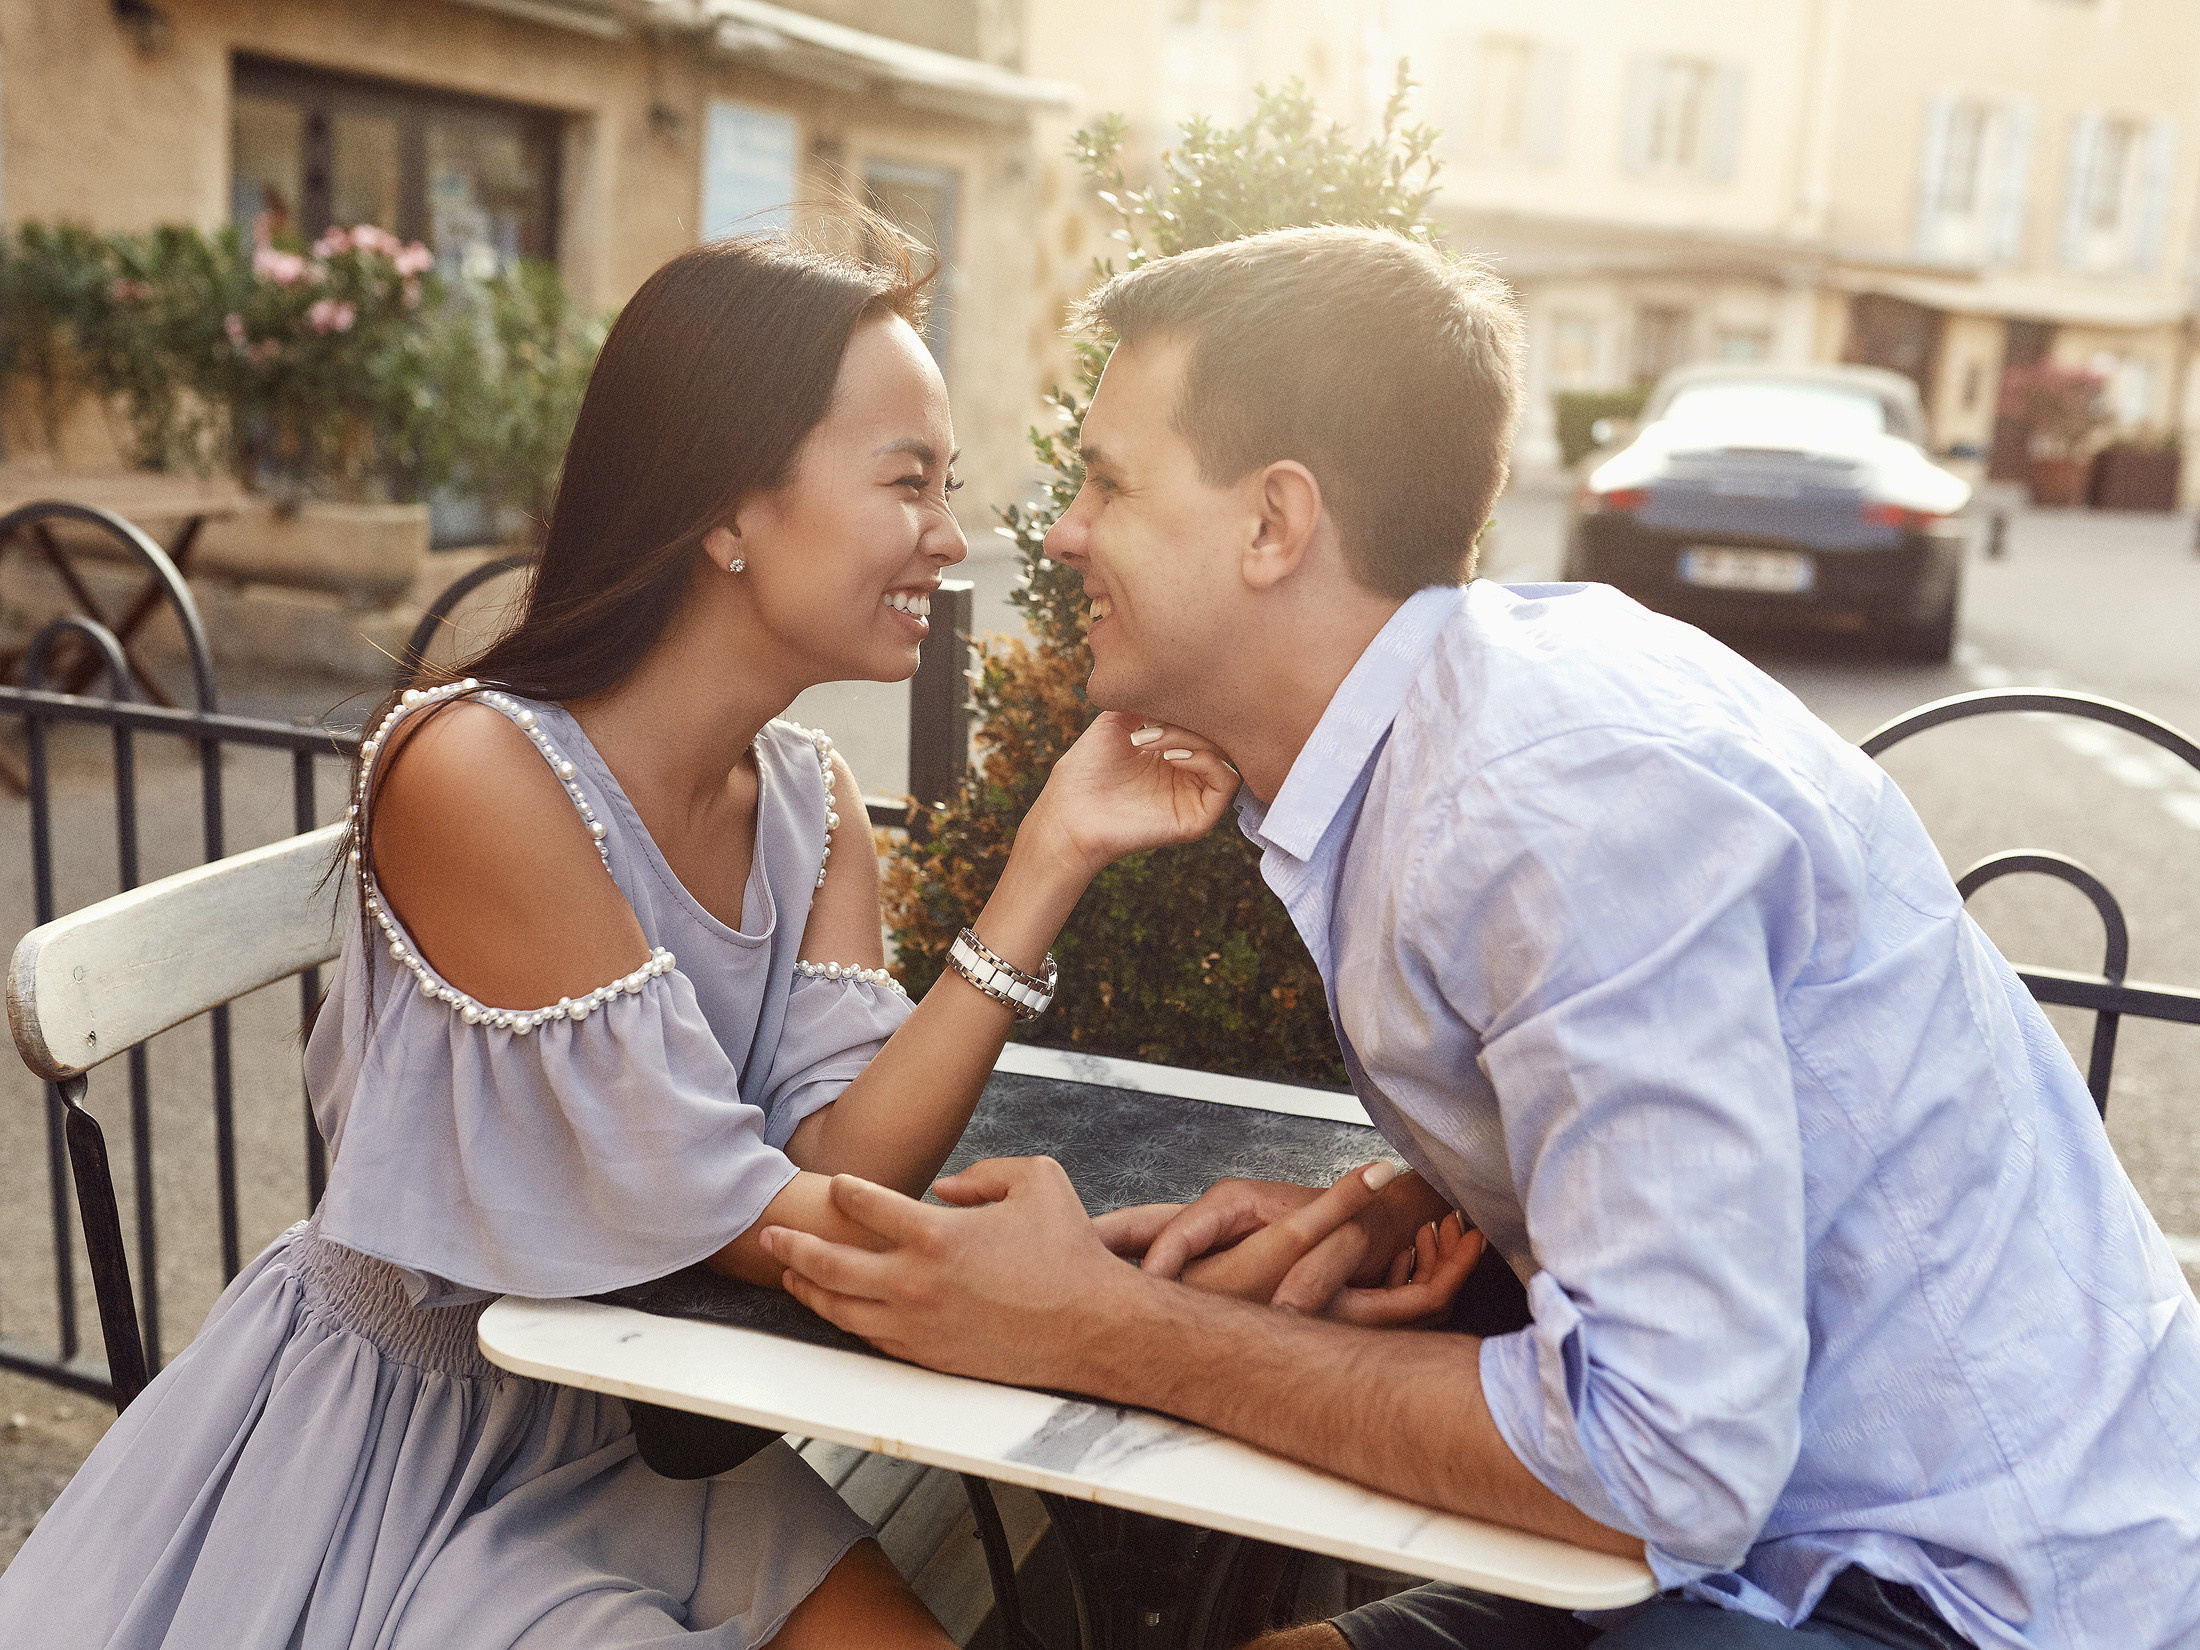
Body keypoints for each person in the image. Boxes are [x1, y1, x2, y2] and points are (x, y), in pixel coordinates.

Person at [759, 225, 2200, 1650]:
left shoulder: (1549, 803)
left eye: (1106, 481)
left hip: (1973, 1594)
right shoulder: (1461, 728)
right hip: (1794, 1531)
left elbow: (1665, 1466)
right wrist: (1424, 1198)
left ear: (1274, 524)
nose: (1058, 530)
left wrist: (1104, 1330)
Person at [0, 222, 1258, 1648]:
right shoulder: (476, 774)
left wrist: (1054, 852)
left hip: (641, 1429)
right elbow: (740, 1216)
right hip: (400, 1459)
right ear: (727, 506)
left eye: (946, 488)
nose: (952, 538)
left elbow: (841, 1165)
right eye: (906, 482)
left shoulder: (811, 802)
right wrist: (1094, 1292)